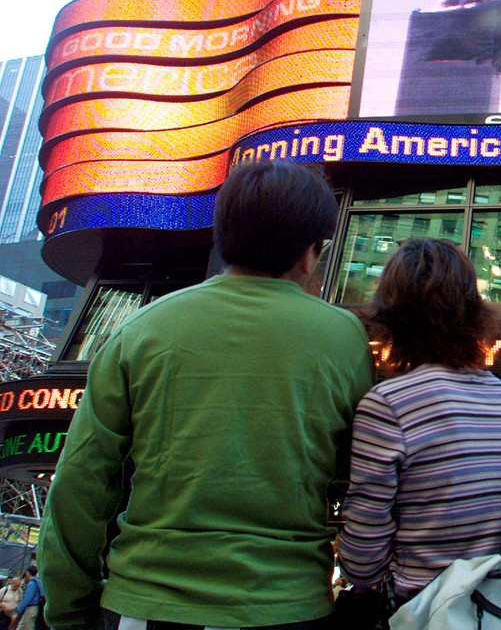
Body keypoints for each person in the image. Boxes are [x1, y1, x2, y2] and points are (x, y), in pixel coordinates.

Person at [37, 160, 375, 630]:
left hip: (144, 603)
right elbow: (356, 475)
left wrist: (69, 611)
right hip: (288, 606)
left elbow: (80, 481)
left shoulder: (142, 329)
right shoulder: (344, 338)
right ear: (309, 253)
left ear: (223, 238)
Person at [338, 238, 501, 602]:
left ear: (389, 311)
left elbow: (361, 562)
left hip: (426, 610)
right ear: (473, 309)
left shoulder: (387, 406)